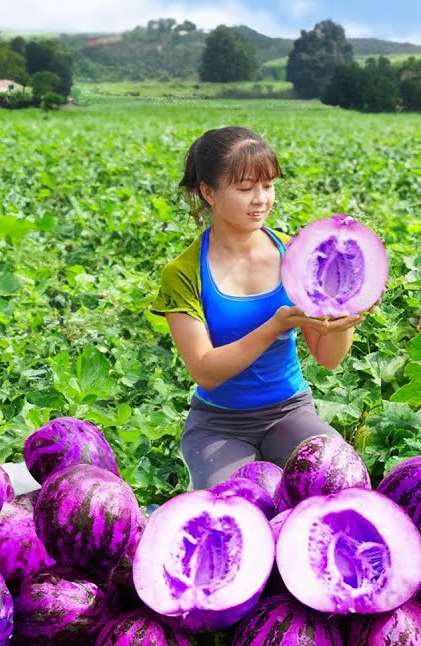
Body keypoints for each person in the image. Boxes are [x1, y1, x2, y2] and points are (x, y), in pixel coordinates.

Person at [148, 126, 369, 490]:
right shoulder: (184, 273)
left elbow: (328, 358)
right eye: (245, 188)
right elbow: (205, 371)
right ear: (209, 192)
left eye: (268, 186)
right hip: (219, 425)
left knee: (341, 483)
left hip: (290, 412)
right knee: (236, 504)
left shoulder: (297, 254)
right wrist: (274, 326)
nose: (261, 199)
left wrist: (345, 316)